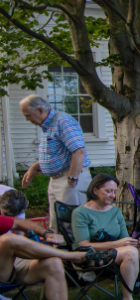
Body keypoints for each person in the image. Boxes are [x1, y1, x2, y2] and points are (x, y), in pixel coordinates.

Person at [0, 216, 114, 300]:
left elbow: (18, 222)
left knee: (53, 264)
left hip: (9, 265)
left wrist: (46, 233)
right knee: (8, 240)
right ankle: (75, 257)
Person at [72, 174, 140, 300]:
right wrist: (119, 243)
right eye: (108, 191)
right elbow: (82, 244)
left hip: (116, 252)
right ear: (95, 190)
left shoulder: (115, 211)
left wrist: (135, 241)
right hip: (90, 256)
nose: (113, 195)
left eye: (114, 191)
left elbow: (124, 238)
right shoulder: (80, 213)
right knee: (130, 252)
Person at [19, 95, 93, 231]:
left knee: (72, 225)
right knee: (56, 225)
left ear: (40, 110)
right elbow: (56, 154)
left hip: (70, 179)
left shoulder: (63, 121)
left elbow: (78, 151)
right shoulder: (48, 126)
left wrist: (71, 180)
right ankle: (58, 251)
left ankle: (80, 252)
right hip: (57, 180)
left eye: (28, 115)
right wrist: (35, 167)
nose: (27, 119)